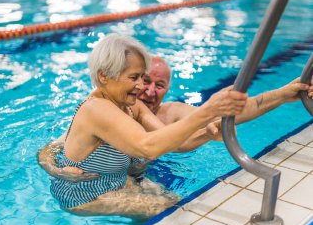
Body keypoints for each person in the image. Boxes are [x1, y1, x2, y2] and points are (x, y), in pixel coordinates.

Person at [41, 33, 248, 219]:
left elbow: (172, 142)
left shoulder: (131, 106)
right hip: (82, 195)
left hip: (117, 184)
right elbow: (147, 146)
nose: (140, 86)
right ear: (104, 76)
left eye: (142, 77)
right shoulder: (95, 110)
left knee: (178, 203)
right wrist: (208, 110)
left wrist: (206, 134)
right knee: (169, 210)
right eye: (134, 77)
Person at [38, 56, 313, 179]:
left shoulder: (172, 113)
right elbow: (54, 146)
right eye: (142, 81)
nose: (148, 91)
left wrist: (282, 94)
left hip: (148, 173)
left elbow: (234, 112)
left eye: (160, 85)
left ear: (168, 89)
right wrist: (56, 170)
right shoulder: (111, 109)